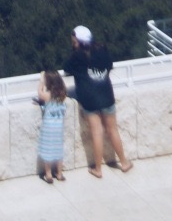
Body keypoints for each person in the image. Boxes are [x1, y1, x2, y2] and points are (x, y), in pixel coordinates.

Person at [70, 24, 131, 177]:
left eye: (74, 42)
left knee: (97, 132)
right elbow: (109, 66)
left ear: (79, 42)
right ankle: (124, 162)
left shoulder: (78, 56)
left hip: (89, 99)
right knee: (112, 129)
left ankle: (98, 169)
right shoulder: (102, 50)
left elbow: (67, 68)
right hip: (106, 95)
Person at [34, 66, 68, 182]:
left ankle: (48, 174)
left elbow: (40, 93)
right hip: (59, 127)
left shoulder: (48, 96)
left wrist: (41, 81)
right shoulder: (62, 95)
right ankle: (59, 173)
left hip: (48, 127)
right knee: (58, 150)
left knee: (47, 150)